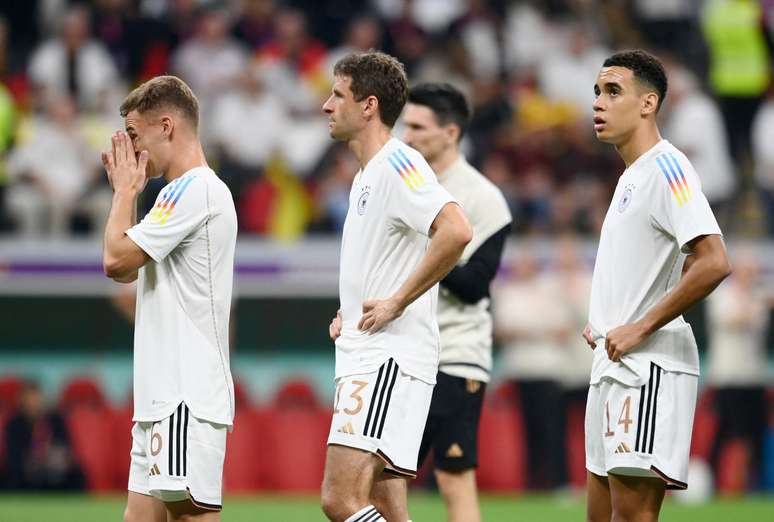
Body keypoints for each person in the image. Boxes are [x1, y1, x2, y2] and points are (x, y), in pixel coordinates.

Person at [321, 51, 472, 522]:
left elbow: (456, 230)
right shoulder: (368, 174)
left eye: (337, 94)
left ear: (368, 106)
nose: (326, 105)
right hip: (372, 353)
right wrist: (351, 309)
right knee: (385, 504)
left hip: (386, 358)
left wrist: (395, 302)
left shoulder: (398, 162)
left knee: (340, 500)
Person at [584, 50, 731, 522]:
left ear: (648, 103)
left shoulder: (670, 168)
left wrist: (639, 326)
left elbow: (712, 261)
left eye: (612, 92)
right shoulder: (631, 177)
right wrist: (608, 324)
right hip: (612, 364)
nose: (598, 104)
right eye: (596, 93)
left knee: (631, 517)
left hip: (647, 368)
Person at [101, 75, 237, 522]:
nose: (133, 151)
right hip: (162, 398)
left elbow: (116, 260)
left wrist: (124, 192)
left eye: (136, 136)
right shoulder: (178, 195)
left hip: (184, 394)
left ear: (166, 125)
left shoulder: (192, 189)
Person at [391, 82, 511, 521]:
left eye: (419, 127)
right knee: (383, 477)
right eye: (406, 124)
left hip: (456, 355)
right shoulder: (405, 184)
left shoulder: (483, 198)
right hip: (404, 350)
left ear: (451, 132)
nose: (408, 136)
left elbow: (475, 285)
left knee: (453, 475)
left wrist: (429, 251)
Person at [2, 380, 85, 490]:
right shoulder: (14, 423)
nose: (34, 403)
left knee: (76, 474)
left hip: (53, 469)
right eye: (30, 399)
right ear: (22, 401)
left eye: (37, 398)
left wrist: (54, 457)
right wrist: (33, 459)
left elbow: (65, 447)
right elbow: (14, 455)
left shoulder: (56, 420)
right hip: (26, 471)